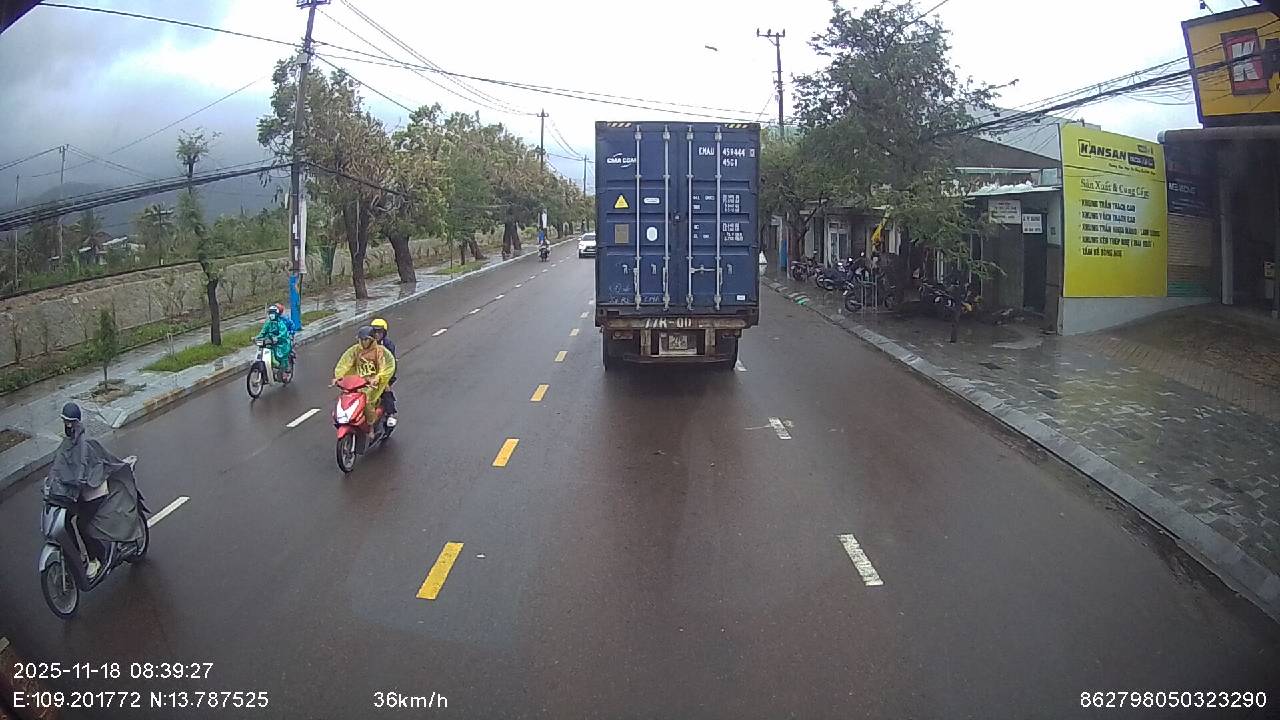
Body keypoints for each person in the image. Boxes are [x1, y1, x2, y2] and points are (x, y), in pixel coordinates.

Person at [48, 403, 144, 578]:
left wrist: (79, 480)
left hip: (94, 491)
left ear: (77, 421)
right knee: (66, 521)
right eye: (65, 421)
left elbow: (85, 468)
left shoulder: (86, 444)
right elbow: (59, 466)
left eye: (70, 422)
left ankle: (95, 559)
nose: (68, 425)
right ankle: (79, 557)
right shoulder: (68, 443)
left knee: (82, 524)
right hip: (76, 493)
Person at [332, 326, 396, 428]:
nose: (363, 342)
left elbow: (385, 366)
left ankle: (371, 426)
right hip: (358, 382)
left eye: (366, 339)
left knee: (368, 400)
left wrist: (378, 378)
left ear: (371, 340)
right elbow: (345, 364)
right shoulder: (355, 350)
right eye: (361, 339)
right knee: (346, 398)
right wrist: (339, 377)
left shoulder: (380, 351)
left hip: (374, 384)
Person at [369, 318, 398, 425]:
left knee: (385, 390)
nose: (377, 334)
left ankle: (391, 414)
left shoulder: (388, 345)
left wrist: (385, 377)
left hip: (385, 373)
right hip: (369, 373)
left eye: (379, 332)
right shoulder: (367, 344)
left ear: (384, 333)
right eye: (374, 332)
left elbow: (391, 363)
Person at [254, 303, 294, 374]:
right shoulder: (268, 323)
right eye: (270, 313)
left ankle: (284, 365)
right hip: (270, 340)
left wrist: (277, 338)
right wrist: (257, 337)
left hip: (281, 341)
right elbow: (263, 332)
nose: (271, 315)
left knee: (282, 352)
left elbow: (283, 333)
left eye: (273, 313)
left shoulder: (281, 323)